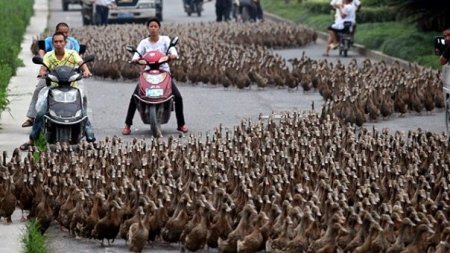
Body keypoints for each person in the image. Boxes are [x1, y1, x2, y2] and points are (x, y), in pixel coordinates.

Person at [19, 32, 94, 151]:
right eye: (56, 42)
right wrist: (42, 73)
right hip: (53, 88)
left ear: (65, 43)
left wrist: (86, 71)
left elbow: (82, 64)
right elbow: (43, 67)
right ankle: (31, 140)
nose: (58, 44)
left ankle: (92, 139)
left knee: (83, 114)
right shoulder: (48, 55)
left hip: (72, 88)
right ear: (53, 43)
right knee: (40, 113)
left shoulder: (72, 54)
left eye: (61, 41)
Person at [122, 17, 188, 135]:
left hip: (163, 72)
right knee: (135, 97)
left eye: (155, 26)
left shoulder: (165, 40)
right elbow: (136, 57)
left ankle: (181, 124)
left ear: (159, 28)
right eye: (151, 26)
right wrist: (136, 60)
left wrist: (171, 56)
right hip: (147, 73)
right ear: (148, 28)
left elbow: (173, 52)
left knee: (178, 97)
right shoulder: (144, 43)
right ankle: (127, 124)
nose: (153, 29)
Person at [22, 22, 80, 128]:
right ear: (56, 33)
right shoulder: (49, 41)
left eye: (66, 32)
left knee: (79, 94)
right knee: (39, 89)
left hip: (68, 74)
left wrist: (83, 70)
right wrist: (43, 65)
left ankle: (80, 119)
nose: (64, 35)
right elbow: (42, 51)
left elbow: (79, 56)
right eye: (61, 32)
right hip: (51, 73)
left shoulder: (73, 43)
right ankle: (32, 117)